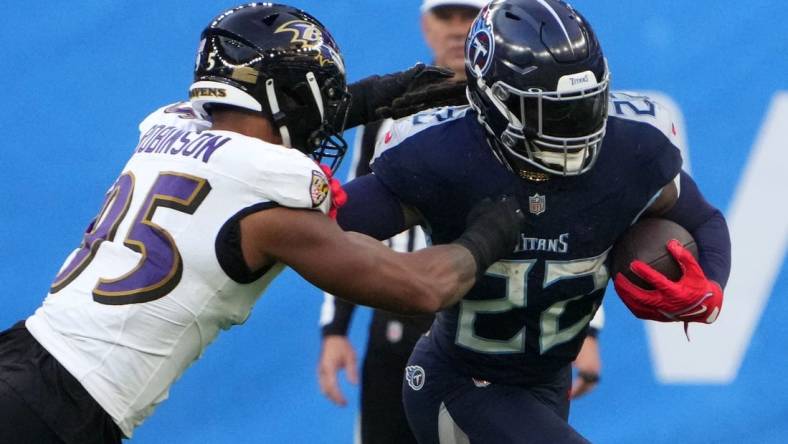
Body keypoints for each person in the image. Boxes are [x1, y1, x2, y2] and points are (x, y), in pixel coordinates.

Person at [0, 4, 527, 443]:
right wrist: (500, 221)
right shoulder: (270, 198)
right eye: (313, 95)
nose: (319, 116)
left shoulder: (169, 124)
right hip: (60, 409)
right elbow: (421, 286)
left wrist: (376, 95)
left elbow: (250, 123)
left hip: (23, 352)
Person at [334, 0, 732, 442]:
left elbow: (704, 219)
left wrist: (710, 286)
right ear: (494, 102)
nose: (575, 128)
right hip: (460, 382)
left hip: (547, 385)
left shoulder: (630, 150)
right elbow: (325, 224)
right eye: (551, 111)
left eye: (584, 105)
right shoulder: (444, 154)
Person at [317, 2, 485, 444]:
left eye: (467, 16)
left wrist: (587, 331)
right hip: (395, 316)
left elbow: (570, 212)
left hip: (486, 319)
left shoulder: (519, 105)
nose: (456, 30)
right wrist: (336, 330)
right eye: (445, 17)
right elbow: (345, 222)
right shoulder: (392, 107)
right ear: (426, 26)